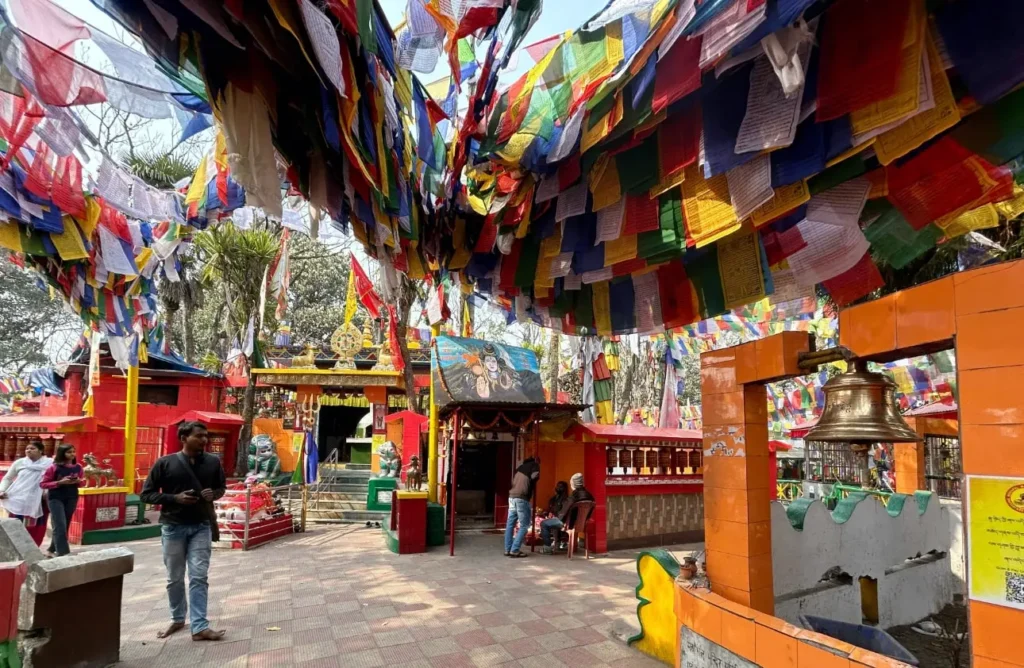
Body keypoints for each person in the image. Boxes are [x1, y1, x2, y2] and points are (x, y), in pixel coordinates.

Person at [140, 421, 227, 641]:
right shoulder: (165, 463)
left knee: (199, 576)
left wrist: (213, 495)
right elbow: (146, 494)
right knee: (175, 578)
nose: (204, 440)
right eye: (199, 436)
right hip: (173, 526)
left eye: (206, 436)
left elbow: (220, 488)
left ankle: (199, 626)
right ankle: (177, 618)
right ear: (184, 438)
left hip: (201, 526)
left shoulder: (213, 462)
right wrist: (174, 498)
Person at [0, 440, 52, 546]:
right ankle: (16, 548)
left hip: (39, 501)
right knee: (16, 524)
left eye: (32, 448)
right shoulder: (20, 463)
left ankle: (34, 548)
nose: (29, 450)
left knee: (37, 525)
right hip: (19, 499)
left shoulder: (50, 463)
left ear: (41, 451)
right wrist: (2, 490)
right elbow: (8, 478)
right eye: (27, 449)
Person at [39, 444, 84, 557]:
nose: (72, 454)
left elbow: (82, 483)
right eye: (69, 452)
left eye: (73, 451)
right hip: (55, 498)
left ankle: (51, 549)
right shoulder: (53, 468)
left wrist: (77, 481)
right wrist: (59, 482)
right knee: (60, 524)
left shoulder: (78, 467)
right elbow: (43, 484)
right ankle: (63, 553)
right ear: (61, 453)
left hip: (72, 497)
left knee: (65, 524)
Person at [504, 456, 539, 558]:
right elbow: (535, 476)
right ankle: (514, 550)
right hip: (522, 498)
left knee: (510, 524)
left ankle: (507, 549)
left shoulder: (520, 468)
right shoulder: (534, 465)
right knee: (525, 525)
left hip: (512, 497)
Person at [562, 473, 595, 551]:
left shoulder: (573, 496)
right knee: (574, 523)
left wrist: (558, 518)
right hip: (583, 523)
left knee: (545, 524)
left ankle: (550, 547)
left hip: (570, 523)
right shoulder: (589, 495)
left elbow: (564, 512)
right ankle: (574, 547)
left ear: (573, 483)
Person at [539, 481, 572, 555]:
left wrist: (553, 515)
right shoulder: (555, 498)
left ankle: (548, 547)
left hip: (561, 520)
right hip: (558, 518)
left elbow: (560, 512)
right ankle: (556, 543)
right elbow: (551, 508)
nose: (558, 488)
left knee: (545, 523)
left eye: (561, 487)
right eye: (557, 486)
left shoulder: (565, 499)